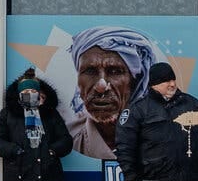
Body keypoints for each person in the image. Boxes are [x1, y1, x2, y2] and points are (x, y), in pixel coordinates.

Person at [0, 68, 73, 181]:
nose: (29, 95)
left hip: (48, 180)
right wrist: (15, 150)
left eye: (33, 92)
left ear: (40, 94)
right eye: (26, 92)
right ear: (19, 94)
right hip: (20, 180)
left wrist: (51, 151)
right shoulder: (8, 114)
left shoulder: (50, 113)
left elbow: (66, 141)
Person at [67, 26, 157, 161]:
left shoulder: (158, 137)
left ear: (136, 82)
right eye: (90, 71)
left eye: (115, 71)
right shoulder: (68, 138)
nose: (101, 86)